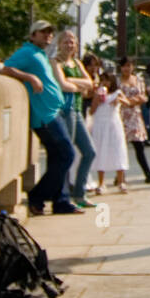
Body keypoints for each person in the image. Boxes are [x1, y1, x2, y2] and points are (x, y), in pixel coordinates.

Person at [0, 21, 81, 216]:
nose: (48, 35)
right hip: (45, 116)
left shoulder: (40, 54)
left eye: (50, 32)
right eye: (43, 32)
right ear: (33, 35)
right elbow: (5, 69)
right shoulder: (27, 52)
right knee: (67, 154)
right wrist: (30, 78)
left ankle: (60, 201)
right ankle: (37, 196)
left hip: (53, 111)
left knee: (56, 158)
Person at [52, 31, 96, 209]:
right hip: (64, 111)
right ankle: (62, 196)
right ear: (59, 44)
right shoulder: (55, 62)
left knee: (89, 152)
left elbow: (90, 83)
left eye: (72, 42)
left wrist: (72, 81)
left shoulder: (76, 63)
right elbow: (62, 85)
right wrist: (79, 85)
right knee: (66, 154)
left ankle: (79, 192)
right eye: (66, 42)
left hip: (77, 111)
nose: (69, 45)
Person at [118, 58, 150, 184]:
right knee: (121, 147)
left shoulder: (138, 80)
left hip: (135, 115)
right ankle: (120, 176)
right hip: (121, 115)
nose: (126, 69)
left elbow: (143, 96)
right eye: (124, 66)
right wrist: (131, 100)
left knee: (139, 146)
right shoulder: (117, 81)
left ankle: (148, 173)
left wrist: (132, 101)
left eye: (129, 66)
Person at [89, 71, 129, 194]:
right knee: (101, 150)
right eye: (103, 80)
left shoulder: (117, 93)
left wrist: (119, 100)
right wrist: (97, 100)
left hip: (113, 123)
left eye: (107, 80)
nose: (105, 83)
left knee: (117, 150)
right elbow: (91, 111)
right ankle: (101, 183)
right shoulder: (98, 93)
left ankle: (121, 181)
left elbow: (127, 103)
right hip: (100, 124)